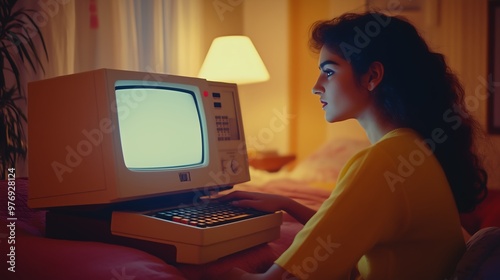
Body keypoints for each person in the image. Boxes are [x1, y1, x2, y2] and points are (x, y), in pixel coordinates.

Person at [218, 11, 488, 280]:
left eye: (329, 72)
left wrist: (220, 273)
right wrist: (287, 203)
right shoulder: (411, 149)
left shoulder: (384, 159)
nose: (316, 87)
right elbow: (348, 230)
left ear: (372, 76)